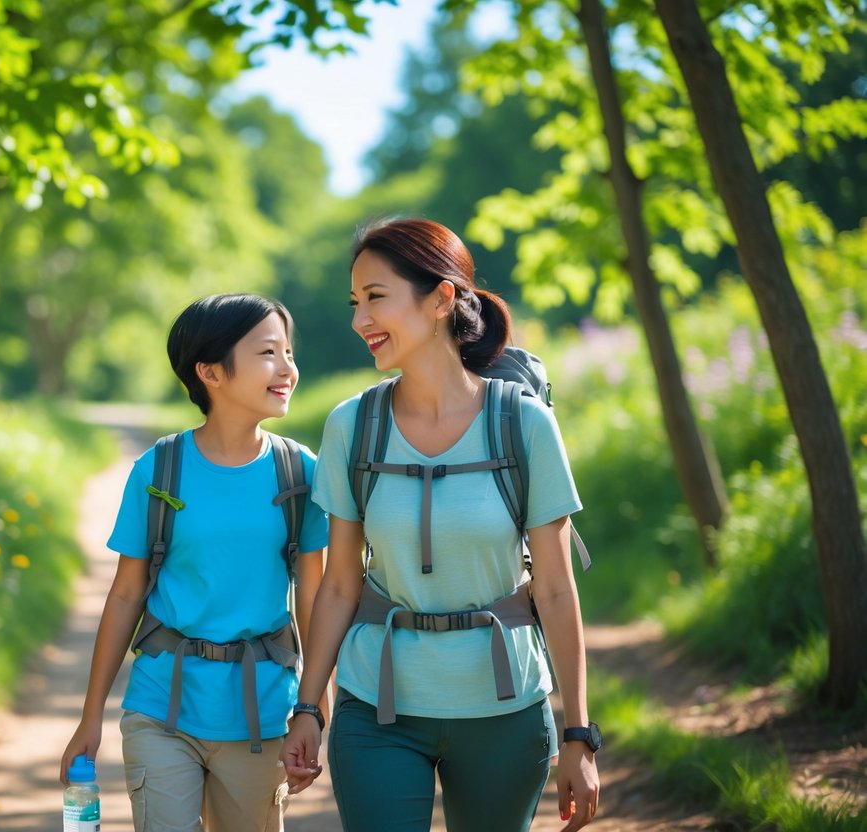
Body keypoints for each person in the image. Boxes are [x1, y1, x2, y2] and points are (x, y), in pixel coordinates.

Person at [279, 218, 600, 832]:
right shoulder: (354, 425)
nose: (359, 321)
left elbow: (556, 589)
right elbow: (341, 584)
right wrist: (308, 709)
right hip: (376, 707)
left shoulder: (523, 424)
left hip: (504, 709)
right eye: (355, 303)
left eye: (376, 298)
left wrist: (580, 734)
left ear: (441, 300)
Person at [61, 293, 330, 832]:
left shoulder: (299, 473)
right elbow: (125, 595)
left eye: (288, 352)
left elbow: (316, 602)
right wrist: (90, 718)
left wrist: (312, 712)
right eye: (267, 353)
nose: (288, 368)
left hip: (260, 716)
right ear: (210, 371)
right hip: (161, 709)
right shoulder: (158, 469)